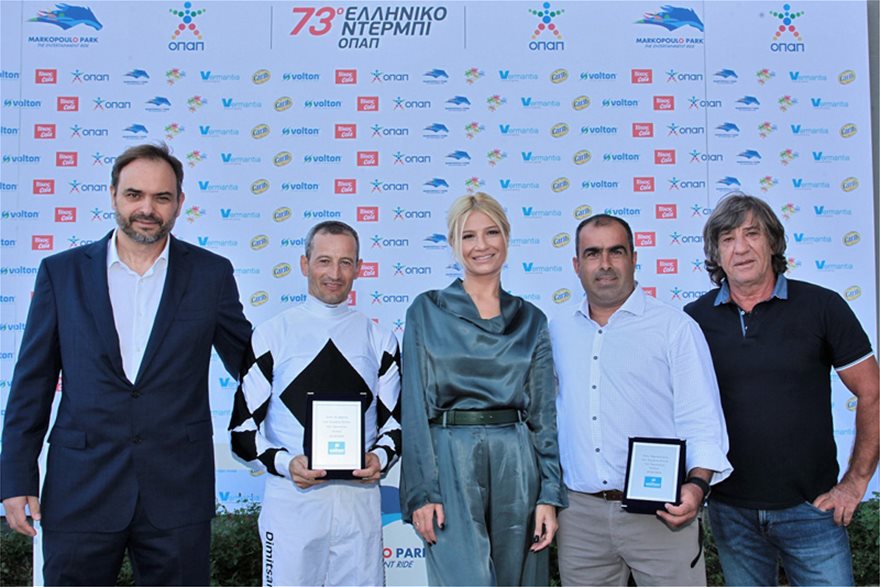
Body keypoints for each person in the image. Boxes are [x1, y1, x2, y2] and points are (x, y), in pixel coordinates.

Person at [0, 143, 252, 585]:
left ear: (179, 203)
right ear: (113, 195)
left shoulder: (211, 274)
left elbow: (251, 367)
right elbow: (32, 383)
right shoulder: (62, 273)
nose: (147, 209)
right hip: (80, 487)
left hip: (177, 489)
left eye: (161, 197)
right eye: (135, 195)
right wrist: (17, 477)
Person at [684, 193, 879, 586]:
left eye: (752, 234)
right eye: (727, 239)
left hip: (812, 510)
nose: (740, 248)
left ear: (772, 241)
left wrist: (855, 483)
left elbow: (872, 393)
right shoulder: (694, 320)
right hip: (731, 513)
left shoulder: (823, 307)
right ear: (716, 254)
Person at [549, 214, 732, 586]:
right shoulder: (556, 331)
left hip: (661, 514)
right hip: (580, 518)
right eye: (592, 253)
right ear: (576, 265)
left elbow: (702, 420)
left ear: (633, 258)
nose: (604, 264)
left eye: (615, 252)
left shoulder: (675, 328)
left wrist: (696, 487)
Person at [399, 192, 566, 585]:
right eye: (468, 235)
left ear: (506, 237)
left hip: (516, 461)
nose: (481, 245)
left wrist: (549, 495)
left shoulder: (532, 319)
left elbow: (543, 416)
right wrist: (422, 493)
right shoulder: (427, 310)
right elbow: (414, 409)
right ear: (453, 244)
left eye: (491, 232)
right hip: (449, 458)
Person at [229, 220, 401, 586]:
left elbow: (395, 427)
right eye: (324, 261)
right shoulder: (271, 335)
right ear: (305, 264)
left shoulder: (380, 339)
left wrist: (380, 458)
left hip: (359, 506)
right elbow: (241, 432)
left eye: (345, 262)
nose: (334, 274)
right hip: (291, 504)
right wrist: (285, 463)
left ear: (359, 268)